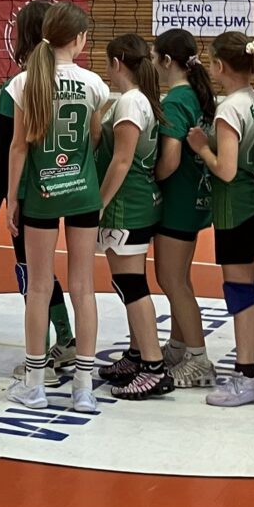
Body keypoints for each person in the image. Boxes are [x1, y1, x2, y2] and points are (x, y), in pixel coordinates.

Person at [5, 2, 109, 411]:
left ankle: (35, 385)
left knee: (39, 288)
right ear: (80, 40)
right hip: (83, 192)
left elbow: (17, 147)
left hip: (41, 194)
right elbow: (95, 136)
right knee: (84, 287)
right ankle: (83, 388)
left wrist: (12, 198)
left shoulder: (24, 82)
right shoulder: (94, 83)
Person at [189, 31, 254, 406]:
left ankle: (246, 375)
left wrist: (201, 147)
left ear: (219, 66)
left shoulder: (229, 109)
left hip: (235, 207)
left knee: (239, 287)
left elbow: (226, 170)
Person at [0, 4, 76, 371]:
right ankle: (66, 340)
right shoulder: (77, 81)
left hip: (29, 193)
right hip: (71, 186)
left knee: (31, 272)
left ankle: (42, 356)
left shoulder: (19, 86)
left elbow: (7, 150)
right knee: (57, 274)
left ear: (24, 36)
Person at [96, 33, 170, 400]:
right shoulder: (141, 99)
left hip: (127, 204)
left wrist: (99, 203)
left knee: (132, 285)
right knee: (128, 282)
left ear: (117, 63)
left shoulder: (129, 102)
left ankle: (153, 368)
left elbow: (122, 160)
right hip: (139, 200)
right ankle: (138, 355)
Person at [151, 29, 217, 387]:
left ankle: (198, 360)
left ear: (166, 60)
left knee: (171, 279)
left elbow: (171, 159)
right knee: (180, 278)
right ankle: (179, 347)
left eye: (153, 56)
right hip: (195, 197)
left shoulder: (176, 100)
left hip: (177, 201)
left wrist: (151, 179)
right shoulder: (196, 94)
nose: (151, 63)